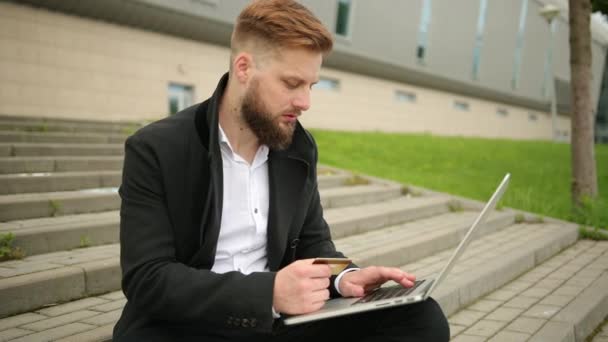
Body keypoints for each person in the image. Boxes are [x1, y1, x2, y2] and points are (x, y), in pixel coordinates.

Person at [113, 0, 449, 340]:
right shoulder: (156, 148)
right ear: (244, 68)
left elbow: (315, 244)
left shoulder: (298, 148)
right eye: (292, 84)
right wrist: (269, 291)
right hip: (187, 325)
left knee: (421, 317)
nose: (305, 102)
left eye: (311, 86)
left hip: (273, 323)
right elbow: (147, 278)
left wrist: (344, 278)